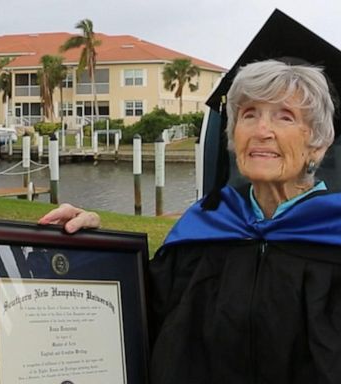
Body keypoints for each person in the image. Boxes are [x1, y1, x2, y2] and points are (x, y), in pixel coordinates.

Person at [39, 10, 341, 384]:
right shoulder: (206, 227)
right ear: (233, 135)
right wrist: (96, 246)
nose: (262, 130)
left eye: (285, 117)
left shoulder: (332, 235)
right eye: (249, 114)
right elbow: (137, 319)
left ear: (318, 144)